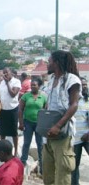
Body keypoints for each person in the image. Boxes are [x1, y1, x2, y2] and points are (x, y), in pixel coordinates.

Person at [42, 50, 81, 185]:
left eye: (49, 62)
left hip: (62, 133)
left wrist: (58, 125)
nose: (47, 64)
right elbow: (50, 103)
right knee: (47, 171)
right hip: (48, 133)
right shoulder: (52, 79)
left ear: (56, 63)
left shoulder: (72, 79)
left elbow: (74, 105)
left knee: (63, 173)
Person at [18, 78, 47, 174]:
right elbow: (20, 110)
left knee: (40, 144)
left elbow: (46, 111)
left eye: (35, 85)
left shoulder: (43, 97)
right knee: (26, 143)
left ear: (39, 86)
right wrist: (21, 123)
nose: (33, 86)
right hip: (28, 122)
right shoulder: (26, 96)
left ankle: (42, 166)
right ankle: (23, 162)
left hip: (39, 124)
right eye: (32, 85)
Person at [0, 67, 21, 156]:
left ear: (11, 73)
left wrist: (7, 83)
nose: (5, 75)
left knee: (13, 132)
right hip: (3, 109)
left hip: (13, 109)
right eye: (4, 73)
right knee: (2, 132)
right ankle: (1, 149)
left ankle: (15, 151)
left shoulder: (16, 82)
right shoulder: (2, 82)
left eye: (6, 73)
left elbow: (13, 94)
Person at [72, 77, 89, 185]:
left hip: (87, 137)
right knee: (74, 166)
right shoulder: (71, 101)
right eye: (82, 85)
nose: (84, 87)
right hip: (75, 139)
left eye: (85, 84)